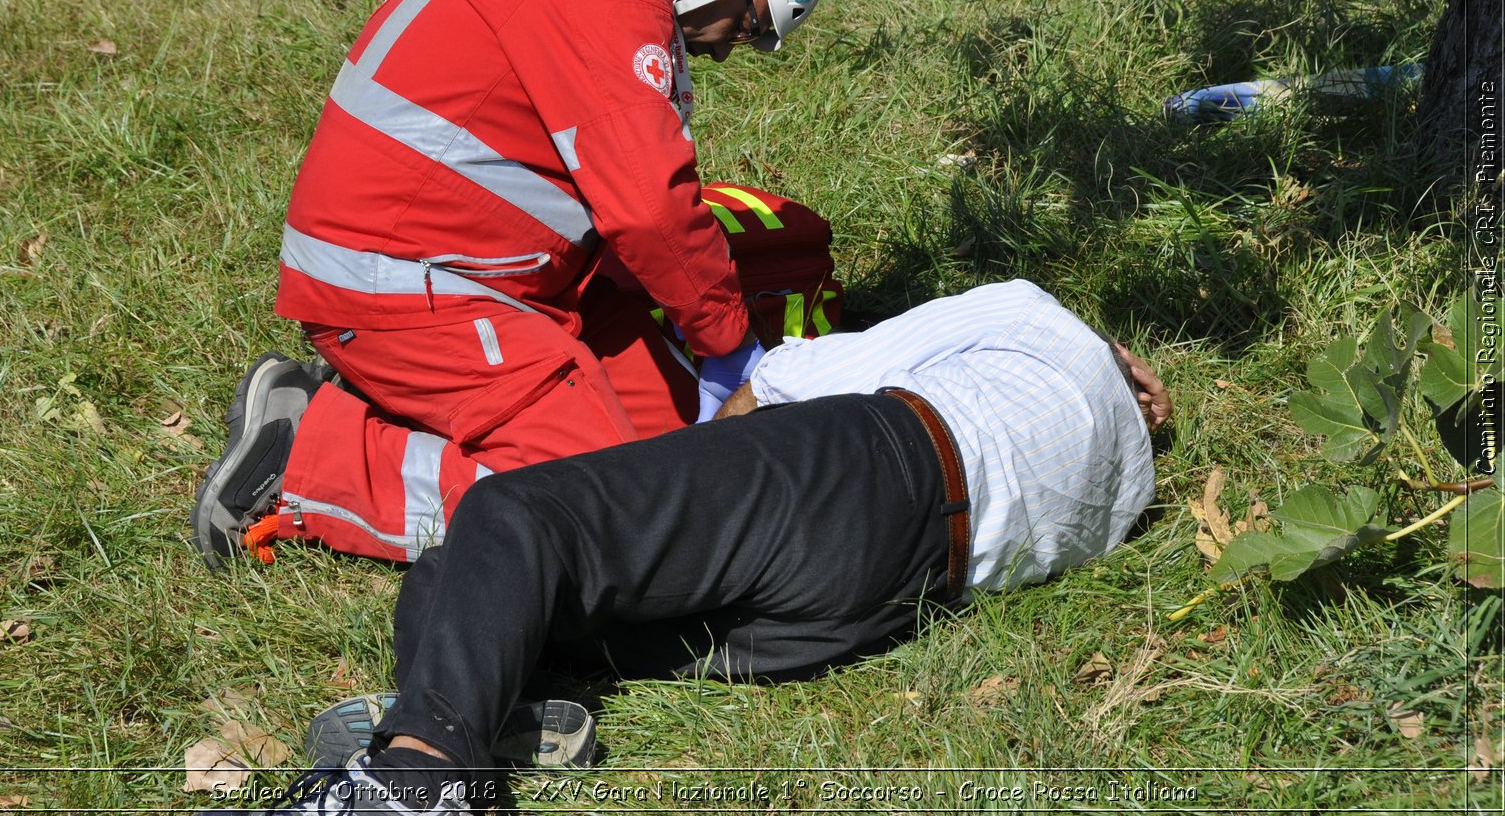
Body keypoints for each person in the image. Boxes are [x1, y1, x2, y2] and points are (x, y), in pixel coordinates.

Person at [198, 280, 1171, 815]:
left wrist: (665, 487)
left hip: (869, 465)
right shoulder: (1130, 490)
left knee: (515, 520)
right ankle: (479, 725)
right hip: (883, 602)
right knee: (500, 594)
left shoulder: (1036, 314)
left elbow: (798, 374)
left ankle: (417, 776)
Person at [190, 0, 833, 568]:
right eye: (751, 24)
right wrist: (727, 340)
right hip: (406, 280)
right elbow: (650, 210)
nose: (732, 50)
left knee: (658, 438)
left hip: (443, 262)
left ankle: (388, 407)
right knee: (605, 504)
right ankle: (310, 457)